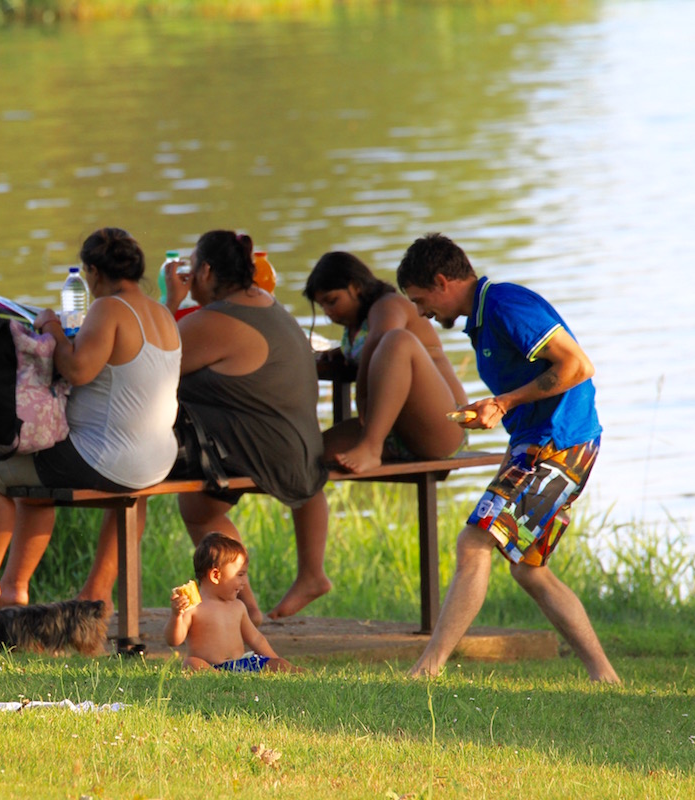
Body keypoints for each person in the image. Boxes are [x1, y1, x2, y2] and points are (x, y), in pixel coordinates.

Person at [396, 233, 619, 683]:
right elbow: (528, 405)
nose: (421, 312)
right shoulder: (482, 320)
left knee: (474, 542)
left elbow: (578, 366)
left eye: (421, 300)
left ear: (442, 281)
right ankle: (605, 677)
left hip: (561, 443)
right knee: (529, 571)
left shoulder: (504, 305)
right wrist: (507, 432)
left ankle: (428, 669)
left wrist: (502, 402)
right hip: (537, 445)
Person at [77, 230, 331, 623]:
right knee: (198, 508)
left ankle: (98, 595)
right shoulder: (267, 304)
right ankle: (244, 606)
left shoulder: (214, 321)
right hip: (294, 445)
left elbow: (148, 363)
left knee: (135, 461)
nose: (187, 276)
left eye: (192, 268)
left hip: (255, 446)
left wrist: (169, 303)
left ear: (207, 270)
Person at [0, 227, 181, 616]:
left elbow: (78, 369)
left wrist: (51, 326)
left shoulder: (109, 307)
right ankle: (50, 589)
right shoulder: (162, 313)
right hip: (156, 460)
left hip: (104, 457)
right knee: (38, 474)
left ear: (93, 272)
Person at [304, 251, 468, 473]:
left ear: (355, 287)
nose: (329, 312)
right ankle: (370, 443)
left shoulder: (389, 304)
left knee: (397, 340)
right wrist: (341, 353)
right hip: (395, 432)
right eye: (322, 306)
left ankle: (370, 446)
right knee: (306, 455)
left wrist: (361, 396)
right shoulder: (356, 326)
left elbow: (378, 342)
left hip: (443, 425)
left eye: (332, 301)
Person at [166, 532, 299, 672]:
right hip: (211, 666)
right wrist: (176, 616)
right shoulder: (193, 607)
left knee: (281, 664)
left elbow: (256, 639)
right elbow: (174, 640)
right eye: (240, 575)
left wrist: (275, 661)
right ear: (215, 575)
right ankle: (216, 678)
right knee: (191, 663)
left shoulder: (238, 607)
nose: (244, 582)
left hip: (241, 664)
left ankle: (299, 673)